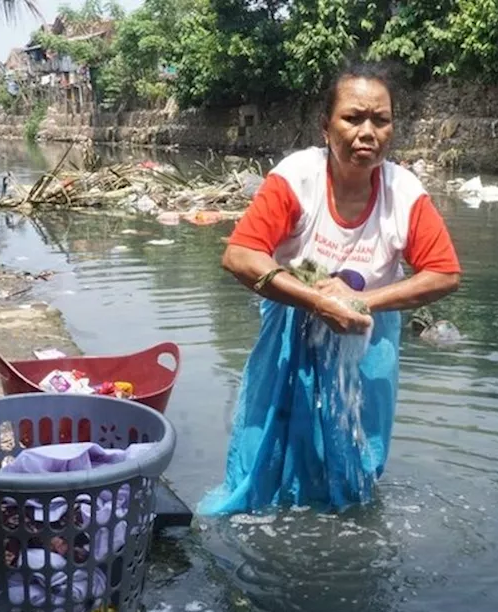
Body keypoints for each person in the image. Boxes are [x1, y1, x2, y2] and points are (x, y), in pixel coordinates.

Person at [197, 62, 462, 515]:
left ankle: (345, 518)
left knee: (361, 441)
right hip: (291, 326)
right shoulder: (296, 178)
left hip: (368, 330)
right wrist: (317, 300)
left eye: (380, 120)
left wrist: (360, 302)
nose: (367, 132)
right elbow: (240, 255)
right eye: (352, 118)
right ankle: (269, 511)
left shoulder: (405, 192)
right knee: (273, 437)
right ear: (325, 126)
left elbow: (443, 272)